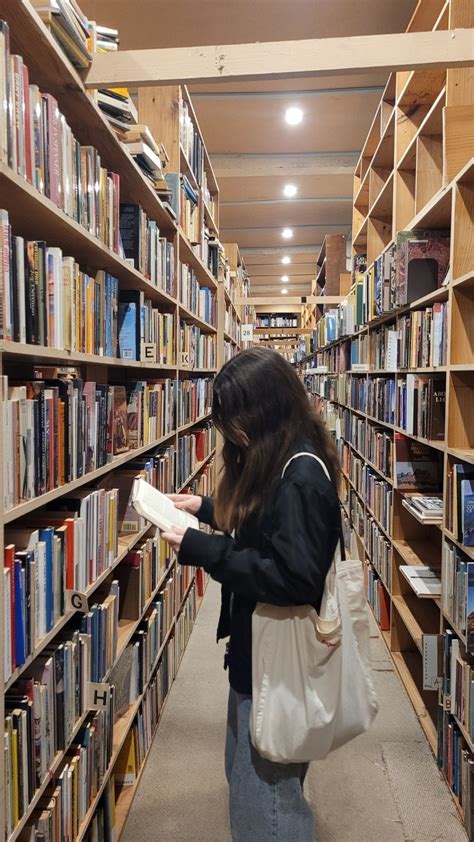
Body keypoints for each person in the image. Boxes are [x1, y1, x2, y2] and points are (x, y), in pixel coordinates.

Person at [162, 347, 342, 842]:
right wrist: (204, 507)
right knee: (250, 775)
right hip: (258, 651)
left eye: (236, 420)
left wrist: (207, 552)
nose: (231, 433)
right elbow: (265, 525)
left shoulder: (301, 473)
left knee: (268, 803)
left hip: (277, 661)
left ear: (263, 410)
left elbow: (293, 579)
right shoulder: (279, 454)